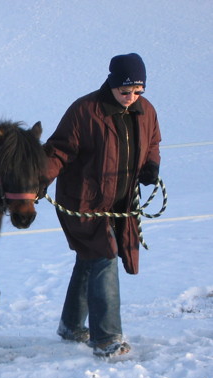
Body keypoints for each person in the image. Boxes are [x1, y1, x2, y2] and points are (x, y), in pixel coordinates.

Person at [43, 53, 161, 358]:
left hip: (120, 203)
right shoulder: (85, 111)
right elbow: (58, 151)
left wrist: (150, 166)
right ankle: (107, 338)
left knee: (90, 259)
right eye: (125, 91)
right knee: (104, 255)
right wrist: (37, 181)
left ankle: (71, 325)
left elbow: (153, 142)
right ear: (111, 83)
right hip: (83, 202)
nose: (131, 97)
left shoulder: (145, 111)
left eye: (138, 91)